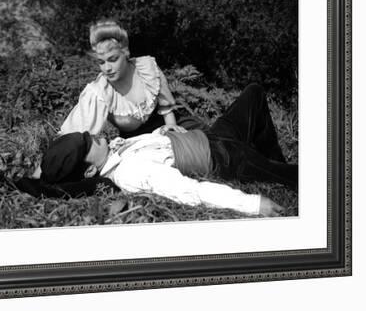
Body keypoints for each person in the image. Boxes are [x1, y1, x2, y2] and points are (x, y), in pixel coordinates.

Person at [34, 83, 297, 217]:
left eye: (85, 135)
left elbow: (149, 143)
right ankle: (277, 173)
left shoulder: (114, 149)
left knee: (254, 93)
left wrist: (162, 132)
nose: (92, 135)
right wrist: (251, 204)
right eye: (87, 144)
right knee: (295, 176)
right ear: (90, 169)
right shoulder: (131, 173)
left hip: (212, 137)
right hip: (225, 158)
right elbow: (190, 192)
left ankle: (271, 163)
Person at [60, 20, 201, 139]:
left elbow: (166, 108)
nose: (107, 68)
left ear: (125, 53)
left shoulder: (147, 68)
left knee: (204, 137)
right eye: (101, 62)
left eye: (113, 59)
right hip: (137, 141)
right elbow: (73, 135)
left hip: (168, 124)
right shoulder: (99, 92)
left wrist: (172, 128)